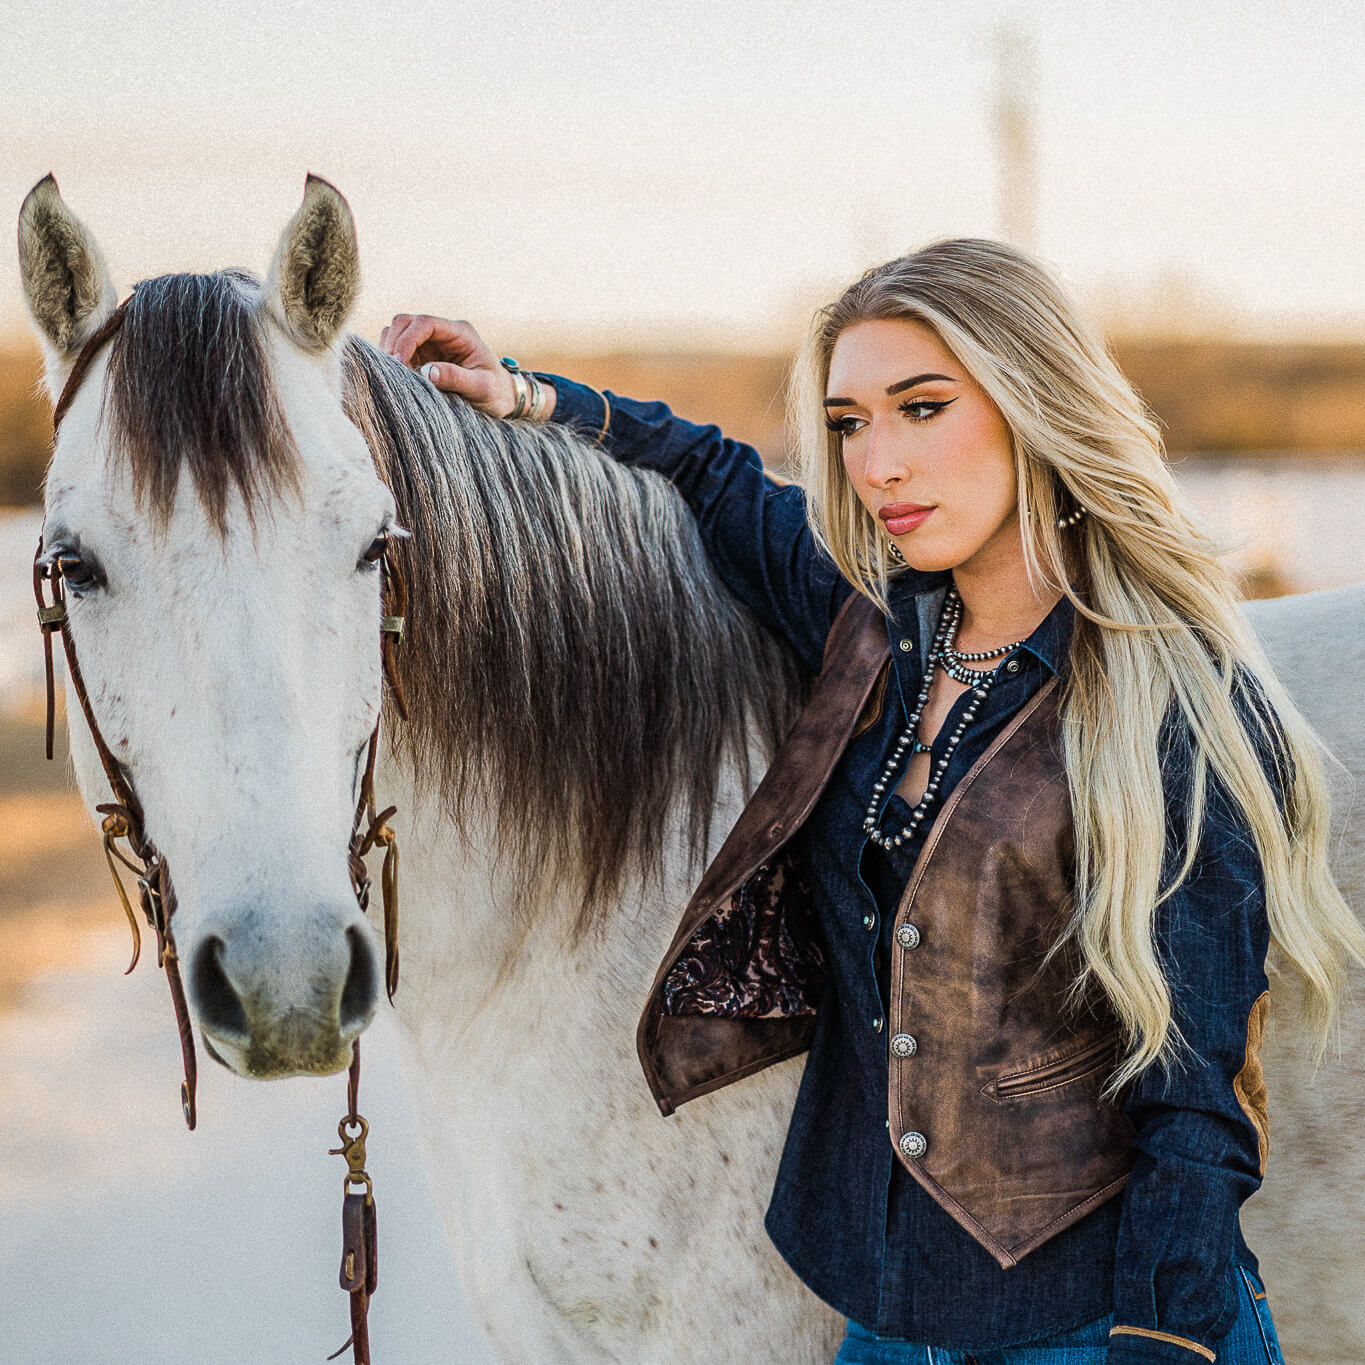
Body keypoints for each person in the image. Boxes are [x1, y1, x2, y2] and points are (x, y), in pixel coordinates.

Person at [380, 239, 1363, 1364]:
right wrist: (524, 393)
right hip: (887, 1324)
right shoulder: (872, 630)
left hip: (1095, 1326)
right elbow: (710, 473)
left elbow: (1199, 1097)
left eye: (922, 407)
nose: (878, 463)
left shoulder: (1171, 699)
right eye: (848, 424)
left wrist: (1165, 1339)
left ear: (1032, 402)